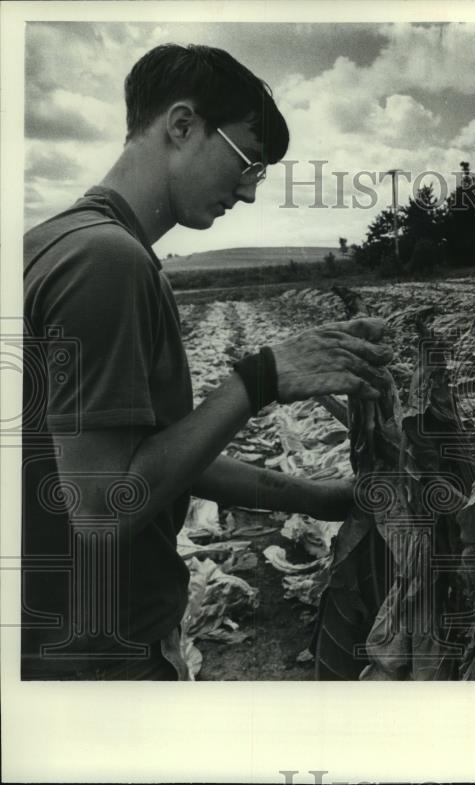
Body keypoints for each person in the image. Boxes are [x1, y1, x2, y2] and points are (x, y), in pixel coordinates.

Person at [21, 43, 391, 680]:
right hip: (99, 657)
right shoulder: (107, 263)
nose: (248, 192)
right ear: (182, 125)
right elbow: (105, 510)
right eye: (248, 161)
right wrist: (261, 379)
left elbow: (149, 456)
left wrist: (321, 498)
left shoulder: (49, 242)